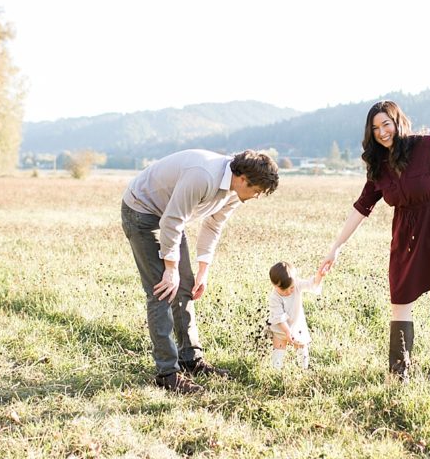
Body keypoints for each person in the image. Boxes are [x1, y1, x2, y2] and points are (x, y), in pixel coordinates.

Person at [320, 101, 430, 380]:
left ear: (398, 122)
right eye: (375, 128)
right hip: (405, 235)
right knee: (400, 297)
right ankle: (399, 373)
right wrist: (336, 246)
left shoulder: (428, 146)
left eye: (386, 124)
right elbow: (361, 207)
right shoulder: (379, 165)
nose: (382, 132)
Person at [121, 149, 280, 393]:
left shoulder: (236, 192)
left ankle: (190, 359)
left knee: (185, 287)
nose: (257, 196)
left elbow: (213, 225)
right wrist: (170, 269)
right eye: (257, 190)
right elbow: (172, 221)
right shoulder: (203, 176)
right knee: (162, 291)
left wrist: (202, 271)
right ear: (243, 179)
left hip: (170, 216)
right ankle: (167, 373)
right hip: (142, 213)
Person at [267, 261, 325, 370]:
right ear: (274, 285)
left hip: (296, 326)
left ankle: (304, 369)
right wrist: (287, 332)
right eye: (283, 289)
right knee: (279, 349)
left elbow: (311, 284)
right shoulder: (274, 298)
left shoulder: (297, 284)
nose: (289, 291)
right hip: (281, 328)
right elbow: (279, 318)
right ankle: (276, 371)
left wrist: (320, 276)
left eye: (291, 287)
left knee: (302, 346)